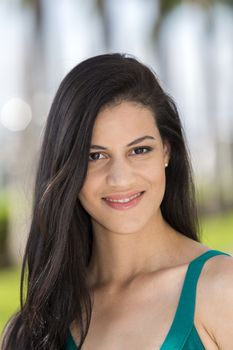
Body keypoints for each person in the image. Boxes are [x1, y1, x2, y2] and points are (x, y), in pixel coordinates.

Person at [1, 53, 233, 350]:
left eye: (139, 150)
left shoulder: (222, 289)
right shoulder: (30, 329)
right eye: (95, 156)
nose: (120, 179)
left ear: (166, 150)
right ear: (66, 167)